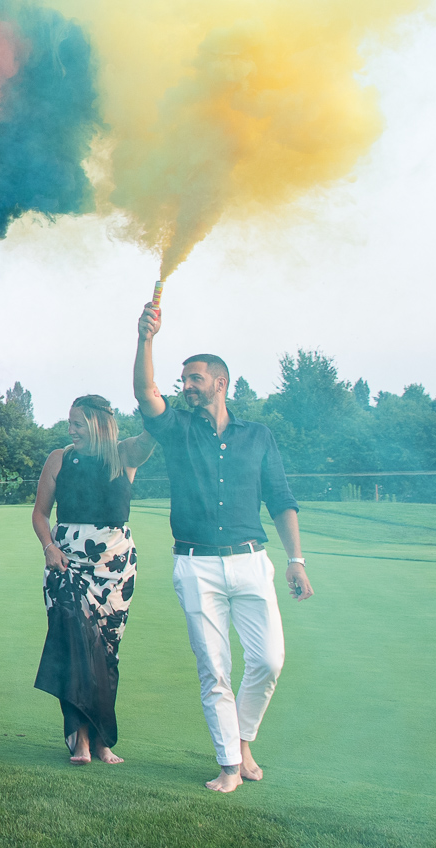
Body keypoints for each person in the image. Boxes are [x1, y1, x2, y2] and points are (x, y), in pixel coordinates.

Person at [135, 302, 313, 793]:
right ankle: (229, 765)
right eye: (184, 378)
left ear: (220, 382)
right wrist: (145, 338)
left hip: (252, 562)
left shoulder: (259, 436)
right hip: (196, 566)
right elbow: (145, 394)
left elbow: (281, 500)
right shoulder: (177, 429)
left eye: (195, 378)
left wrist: (295, 560)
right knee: (215, 669)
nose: (186, 385)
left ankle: (243, 739)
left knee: (269, 662)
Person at [31, 395, 157, 763]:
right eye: (69, 423)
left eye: (78, 424)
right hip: (66, 563)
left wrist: (152, 394)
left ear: (100, 424)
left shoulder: (125, 454)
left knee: (106, 652)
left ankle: (102, 739)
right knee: (72, 647)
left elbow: (155, 431)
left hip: (114, 568)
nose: (70, 430)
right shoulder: (59, 458)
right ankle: (79, 739)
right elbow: (40, 514)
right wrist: (48, 548)